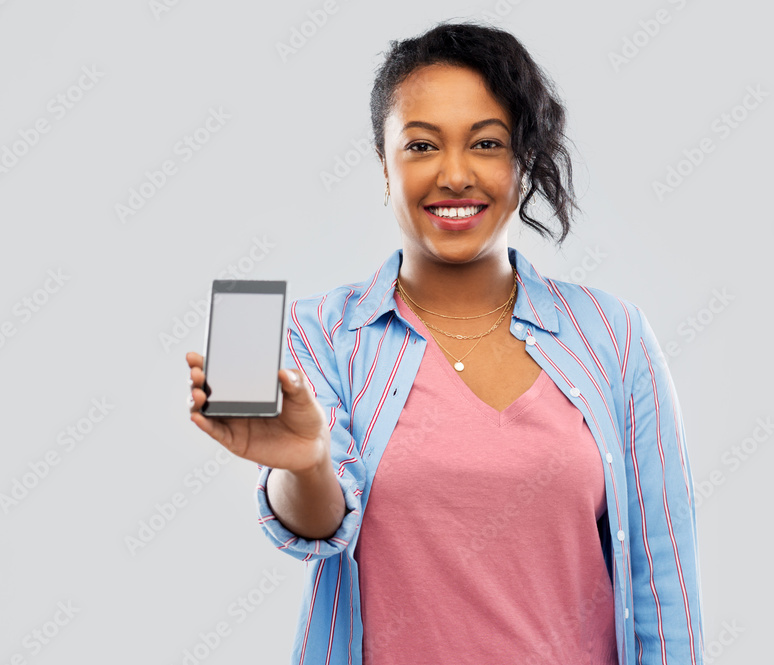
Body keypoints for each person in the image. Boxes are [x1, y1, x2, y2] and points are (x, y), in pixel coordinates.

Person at [187, 19, 704, 665]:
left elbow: (663, 577)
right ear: (384, 166)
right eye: (422, 145)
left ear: (523, 160)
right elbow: (316, 527)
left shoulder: (615, 335)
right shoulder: (321, 334)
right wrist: (307, 460)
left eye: (486, 144)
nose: (455, 174)